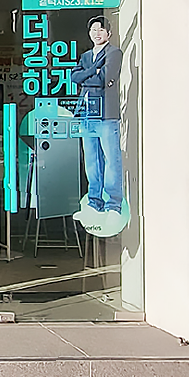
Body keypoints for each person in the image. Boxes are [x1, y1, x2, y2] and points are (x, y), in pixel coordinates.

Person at [70, 14, 127, 237]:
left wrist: (90, 75)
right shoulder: (85, 56)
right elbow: (74, 77)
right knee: (92, 161)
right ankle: (94, 202)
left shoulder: (114, 53)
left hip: (106, 114)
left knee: (111, 160)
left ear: (109, 33)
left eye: (101, 29)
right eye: (93, 29)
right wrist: (92, 71)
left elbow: (104, 79)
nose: (97, 33)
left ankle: (114, 204)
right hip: (86, 114)